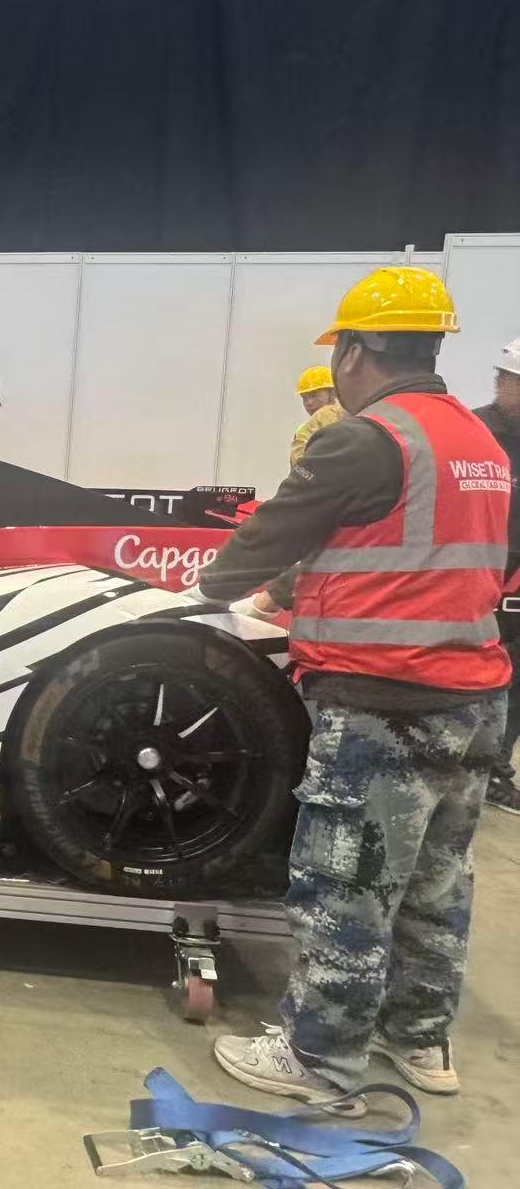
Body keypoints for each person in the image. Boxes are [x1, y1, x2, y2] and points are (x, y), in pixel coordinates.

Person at [191, 267, 507, 1108]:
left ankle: (319, 1055)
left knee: (347, 883)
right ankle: (418, 1039)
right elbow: (415, 551)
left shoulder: (363, 439)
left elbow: (269, 536)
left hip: (382, 702)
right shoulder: (479, 444)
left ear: (356, 352)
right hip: (473, 700)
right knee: (435, 883)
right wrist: (292, 594)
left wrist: (202, 595)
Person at [474, 338, 520, 814]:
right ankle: (467, 766)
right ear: (503, 381)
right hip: (478, 575)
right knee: (477, 672)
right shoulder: (476, 432)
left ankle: (496, 769)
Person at [291, 365, 347, 467]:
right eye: (305, 398)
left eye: (314, 396)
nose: (309, 403)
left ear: (333, 393)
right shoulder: (302, 430)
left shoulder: (347, 419)